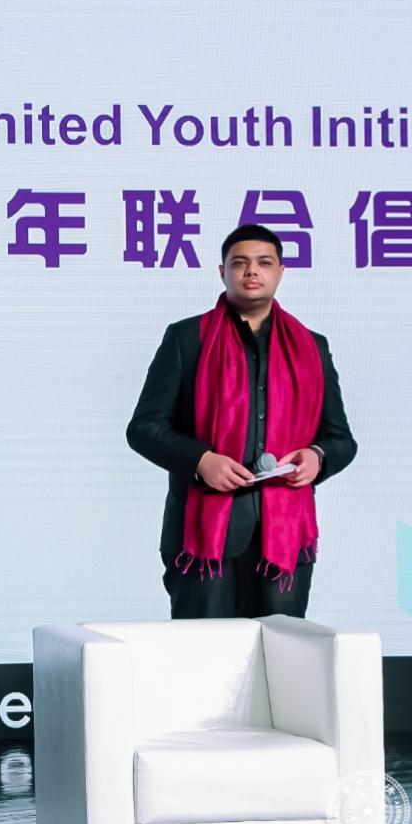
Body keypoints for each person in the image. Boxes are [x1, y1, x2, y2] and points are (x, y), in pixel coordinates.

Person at [126, 224, 357, 619]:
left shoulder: (312, 346)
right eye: (240, 263)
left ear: (280, 272)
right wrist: (201, 460)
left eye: (264, 263)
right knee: (204, 652)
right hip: (201, 538)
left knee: (282, 649)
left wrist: (318, 457)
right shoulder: (187, 338)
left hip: (284, 540)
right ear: (223, 272)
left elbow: (341, 439)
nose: (252, 271)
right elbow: (144, 429)